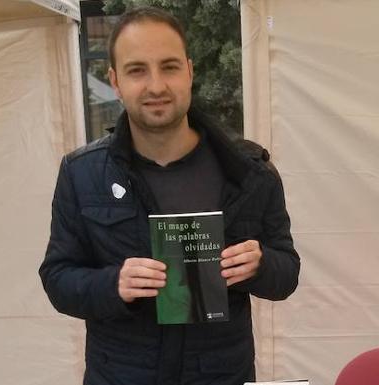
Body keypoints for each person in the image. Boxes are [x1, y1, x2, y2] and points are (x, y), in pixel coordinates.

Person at [39, 6, 300, 385]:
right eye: (137, 70)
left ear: (190, 71)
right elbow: (57, 278)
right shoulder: (82, 174)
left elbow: (287, 273)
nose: (156, 86)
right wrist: (113, 284)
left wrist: (260, 266)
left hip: (222, 375)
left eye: (170, 66)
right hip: (120, 376)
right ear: (115, 80)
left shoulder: (249, 173)